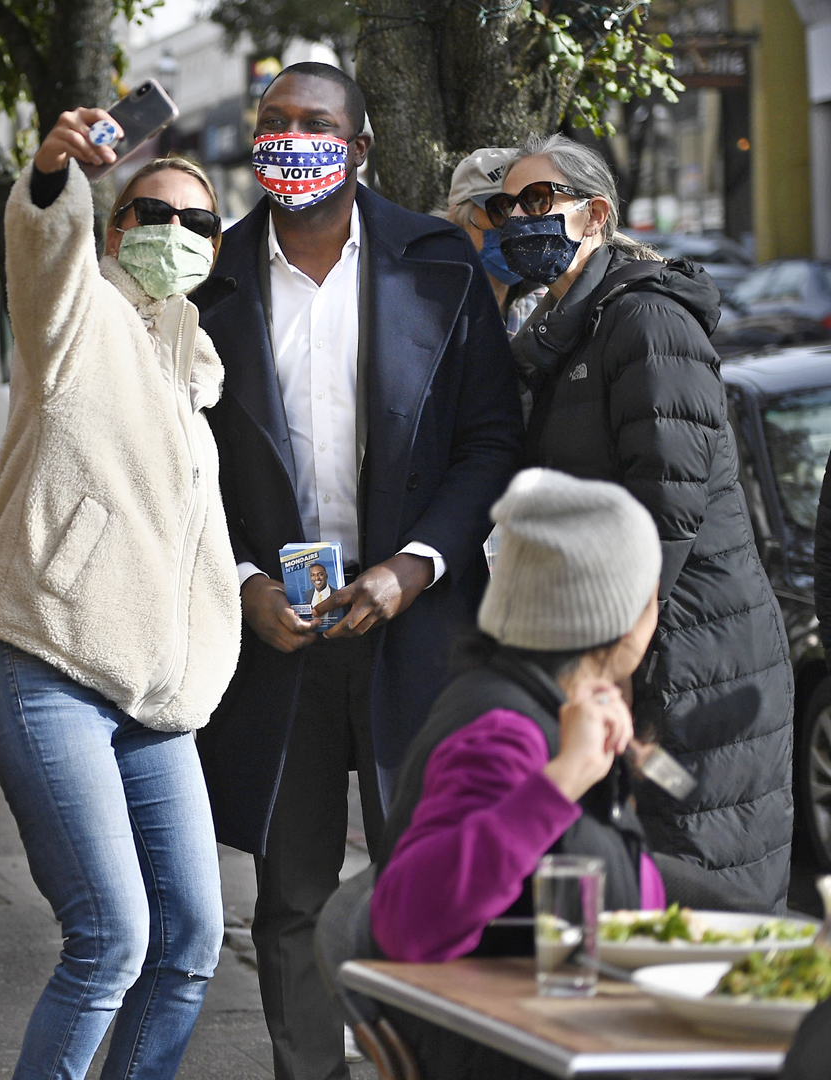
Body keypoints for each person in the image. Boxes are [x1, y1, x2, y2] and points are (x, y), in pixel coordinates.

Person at [188, 61, 524, 1080]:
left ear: (360, 146)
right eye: (275, 124)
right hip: (276, 639)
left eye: (317, 125)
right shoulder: (214, 277)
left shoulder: (437, 263)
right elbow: (182, 461)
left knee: (426, 882)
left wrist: (412, 568)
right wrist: (245, 581)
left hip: (414, 630)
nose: (294, 141)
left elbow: (488, 441)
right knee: (288, 897)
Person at [0, 106, 239, 1079]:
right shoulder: (78, 318)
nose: (177, 235)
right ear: (116, 229)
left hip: (155, 699)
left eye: (201, 224)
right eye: (153, 214)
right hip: (48, 663)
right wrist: (51, 172)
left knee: (193, 940)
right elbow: (43, 248)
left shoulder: (193, 371)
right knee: (111, 939)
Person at [499, 134, 791, 908]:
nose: (517, 220)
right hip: (628, 656)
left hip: (689, 661)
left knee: (703, 874)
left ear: (595, 214)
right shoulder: (564, 332)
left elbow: (667, 507)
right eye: (506, 206)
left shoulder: (645, 322)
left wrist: (615, 663)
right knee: (633, 886)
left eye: (539, 201)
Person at [369, 469, 664, 1078]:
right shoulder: (507, 732)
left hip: (570, 1035)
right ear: (619, 615)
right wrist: (560, 782)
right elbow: (408, 923)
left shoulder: (555, 710)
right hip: (517, 1052)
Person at [443, 147, 544, 335]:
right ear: (458, 219)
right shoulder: (430, 301)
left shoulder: (546, 306)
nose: (517, 224)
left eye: (529, 208)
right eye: (501, 209)